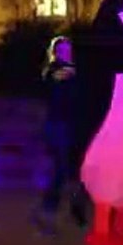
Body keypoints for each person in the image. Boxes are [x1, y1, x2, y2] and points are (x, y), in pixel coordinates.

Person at [33, 36, 84, 234]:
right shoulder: (54, 71)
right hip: (59, 126)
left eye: (68, 49)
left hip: (72, 125)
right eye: (62, 50)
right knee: (61, 170)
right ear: (55, 53)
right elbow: (55, 82)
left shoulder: (73, 71)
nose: (66, 53)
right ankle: (49, 210)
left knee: (74, 170)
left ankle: (72, 209)